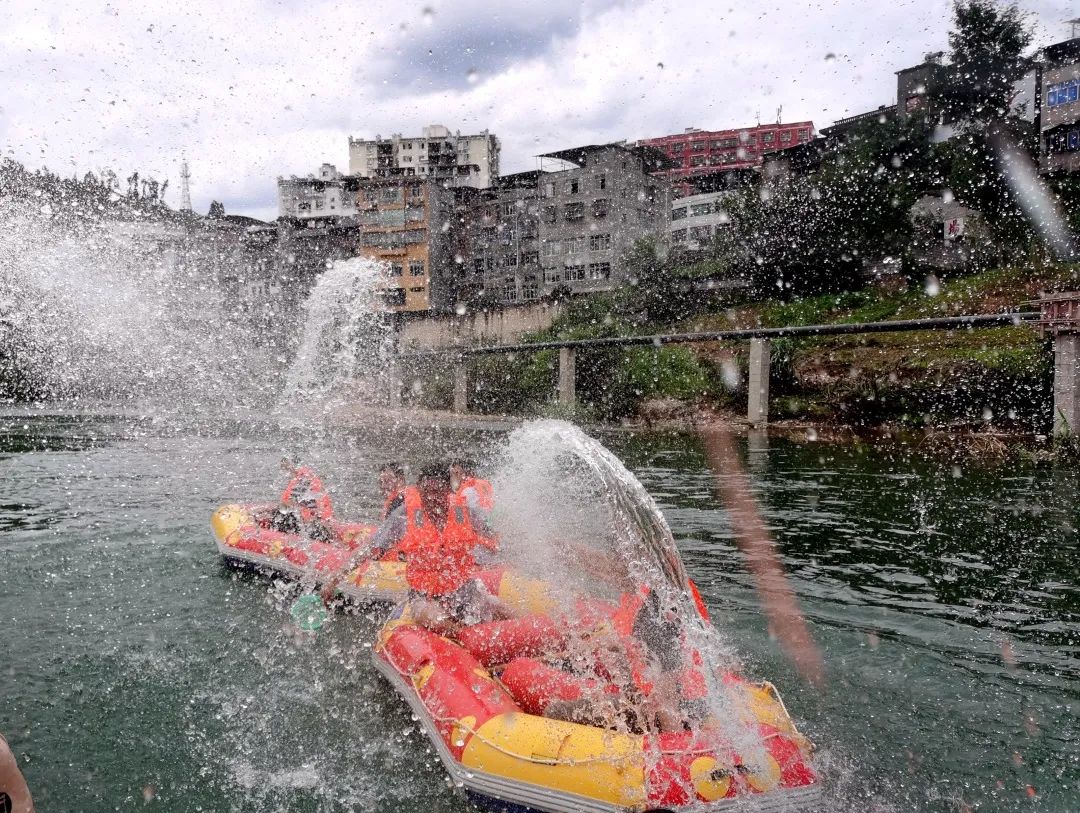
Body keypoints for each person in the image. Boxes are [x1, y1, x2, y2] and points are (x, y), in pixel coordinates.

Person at [271, 458, 335, 543]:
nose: (284, 469)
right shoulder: (306, 476)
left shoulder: (302, 480)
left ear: (292, 465)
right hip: (316, 522)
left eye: (285, 465)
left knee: (279, 515)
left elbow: (289, 505)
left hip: (311, 524)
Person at [448, 459, 499, 560]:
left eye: (456, 473)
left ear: (467, 472)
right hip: (493, 542)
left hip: (478, 548)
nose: (454, 476)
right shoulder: (485, 484)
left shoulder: (466, 492)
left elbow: (475, 519)